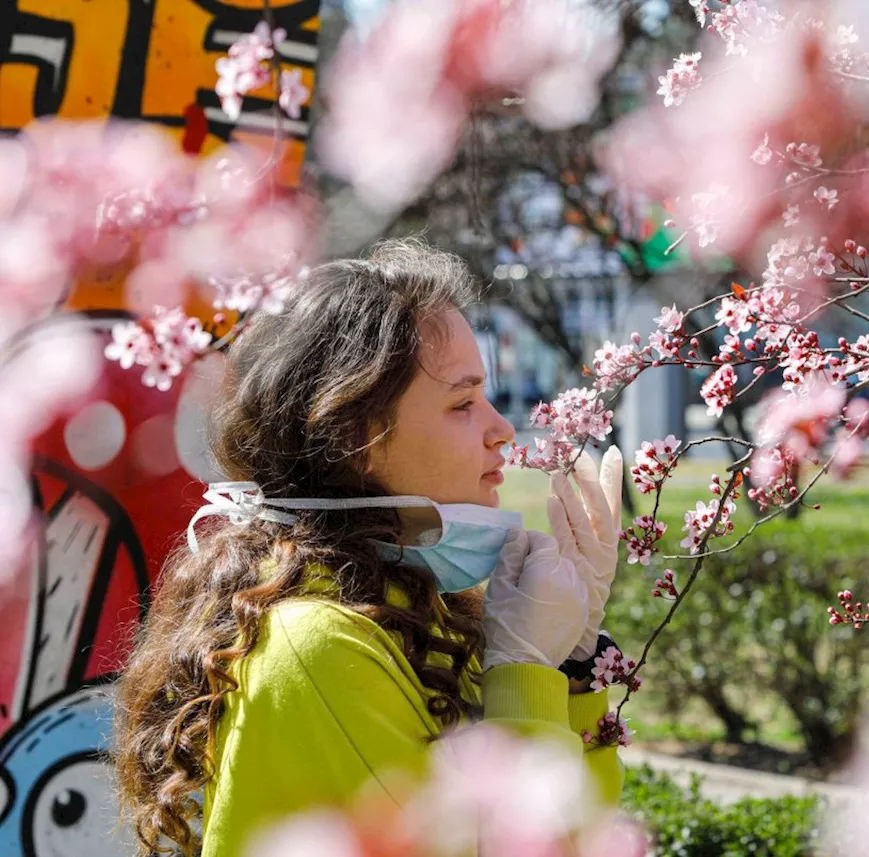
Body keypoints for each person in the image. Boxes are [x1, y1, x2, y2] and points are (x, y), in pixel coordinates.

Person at [112, 239, 626, 856]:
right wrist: (523, 672)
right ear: (358, 437)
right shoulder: (318, 645)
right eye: (462, 403)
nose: (502, 429)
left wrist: (570, 663)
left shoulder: (401, 606)